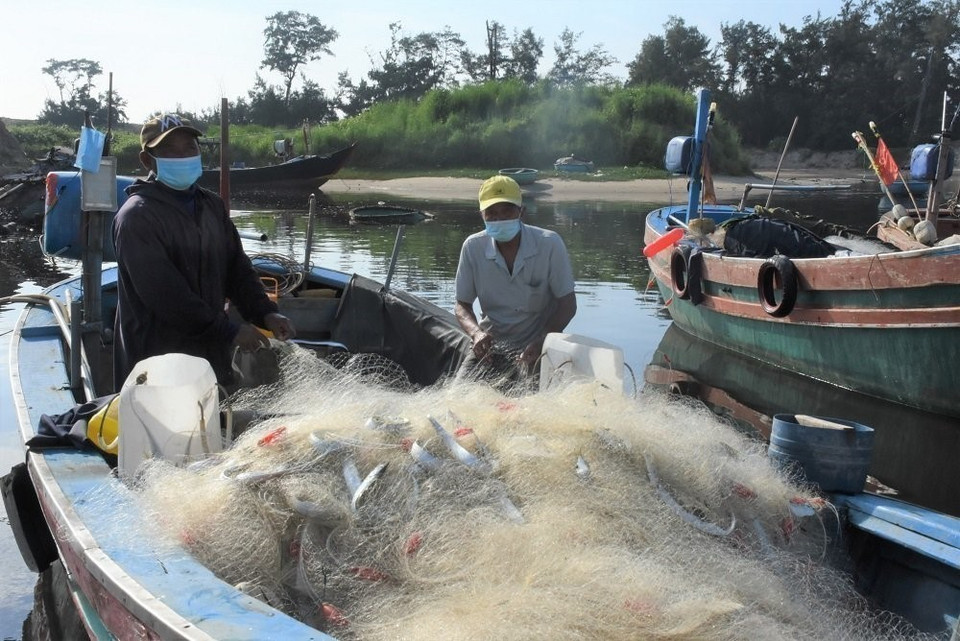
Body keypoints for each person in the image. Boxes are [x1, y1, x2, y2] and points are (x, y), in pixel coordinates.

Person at [112, 113, 295, 390]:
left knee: (211, 422)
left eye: (189, 148)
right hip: (155, 364)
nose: (183, 156)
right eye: (170, 151)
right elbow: (166, 297)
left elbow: (237, 269)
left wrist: (265, 312)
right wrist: (229, 331)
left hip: (209, 356)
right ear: (148, 161)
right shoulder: (137, 218)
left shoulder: (211, 206)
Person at [454, 175, 577, 386]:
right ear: (482, 215)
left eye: (507, 211)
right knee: (457, 399)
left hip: (540, 345)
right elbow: (461, 305)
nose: (499, 219)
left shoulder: (549, 244)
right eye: (491, 213)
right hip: (491, 346)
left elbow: (568, 305)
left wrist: (541, 341)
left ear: (521, 211)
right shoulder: (472, 247)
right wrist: (476, 334)